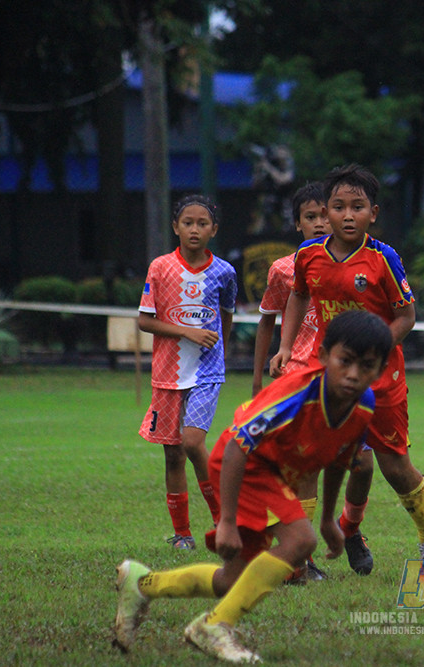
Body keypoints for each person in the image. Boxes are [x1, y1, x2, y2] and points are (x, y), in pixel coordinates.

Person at [113, 310, 393, 663]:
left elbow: (340, 460)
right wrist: (227, 522)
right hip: (243, 464)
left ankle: (141, 584)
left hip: (271, 474)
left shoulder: (363, 407)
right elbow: (237, 446)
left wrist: (327, 520)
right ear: (323, 356)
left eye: (366, 366)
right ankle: (215, 626)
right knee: (300, 541)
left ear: (380, 371)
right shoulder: (298, 393)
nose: (353, 374)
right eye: (345, 361)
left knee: (231, 581)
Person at [269, 163, 424, 575]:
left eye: (358, 207)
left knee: (394, 467)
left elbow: (406, 317)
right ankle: (301, 557)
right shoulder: (307, 256)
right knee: (308, 457)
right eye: (338, 207)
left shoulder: (383, 258)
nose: (347, 215)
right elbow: (298, 296)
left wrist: (373, 352)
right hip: (326, 377)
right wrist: (285, 346)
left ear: (373, 213)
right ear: (326, 212)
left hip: (380, 379)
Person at [251, 182, 376, 579]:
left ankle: (349, 527)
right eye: (311, 217)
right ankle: (300, 559)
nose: (321, 223)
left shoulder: (355, 262)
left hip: (343, 378)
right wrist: (260, 376)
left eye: (326, 214)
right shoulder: (284, 269)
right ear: (297, 224)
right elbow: (267, 322)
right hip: (301, 378)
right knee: (306, 467)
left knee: (362, 463)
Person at [138, 194, 237, 550]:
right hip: (168, 372)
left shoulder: (224, 272)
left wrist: (220, 349)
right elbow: (144, 321)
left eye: (202, 223)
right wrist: (187, 332)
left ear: (214, 230)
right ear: (175, 227)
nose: (195, 229)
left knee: (192, 442)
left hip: (206, 372)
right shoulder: (160, 268)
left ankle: (223, 521)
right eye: (188, 223)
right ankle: (182, 534)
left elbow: (227, 316)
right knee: (172, 454)